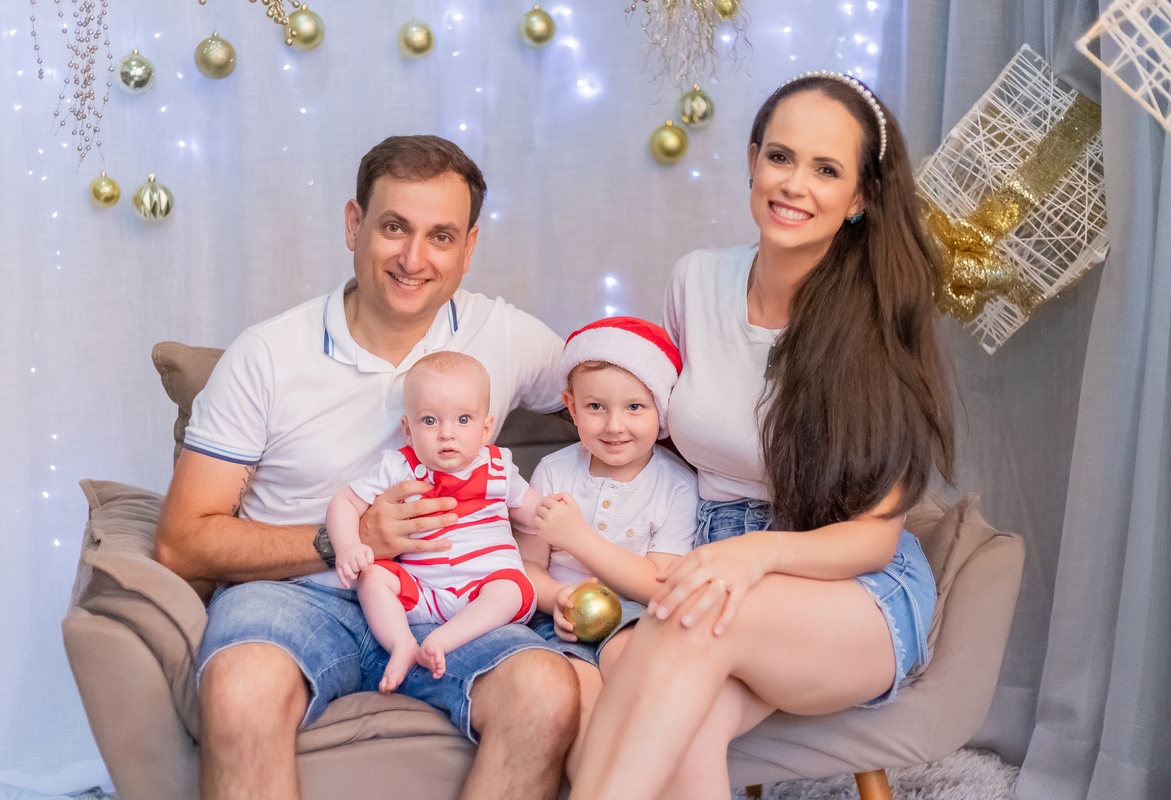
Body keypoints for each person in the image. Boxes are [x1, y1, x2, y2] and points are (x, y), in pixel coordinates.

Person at [155, 135, 580, 800]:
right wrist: (352, 542)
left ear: (469, 248)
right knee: (242, 688)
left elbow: (627, 399)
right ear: (354, 225)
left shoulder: (506, 336)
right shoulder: (267, 354)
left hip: (453, 598)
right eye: (394, 228)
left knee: (545, 692)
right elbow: (182, 542)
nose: (414, 259)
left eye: (441, 236)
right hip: (295, 597)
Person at [569, 72, 956, 799]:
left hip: (849, 585)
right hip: (711, 554)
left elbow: (874, 539)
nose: (794, 184)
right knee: (679, 720)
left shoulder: (880, 317)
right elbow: (658, 433)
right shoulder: (694, 281)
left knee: (691, 620)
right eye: (781, 157)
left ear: (862, 196)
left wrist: (756, 553)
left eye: (827, 169)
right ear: (752, 160)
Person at [516, 317, 699, 779]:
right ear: (572, 407)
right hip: (560, 622)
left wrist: (578, 538)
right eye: (596, 406)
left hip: (636, 617)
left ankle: (646, 776)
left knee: (638, 672)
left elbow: (658, 585)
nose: (615, 425)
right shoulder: (554, 472)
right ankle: (593, 784)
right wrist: (556, 597)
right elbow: (528, 565)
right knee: (577, 698)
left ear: (662, 410)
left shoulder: (677, 486)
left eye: (635, 407)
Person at [327, 351, 541, 687]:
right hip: (422, 592)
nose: (446, 434)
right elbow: (344, 501)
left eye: (463, 419)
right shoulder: (398, 467)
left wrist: (554, 514)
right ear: (407, 430)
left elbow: (533, 510)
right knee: (373, 577)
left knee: (510, 590)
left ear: (486, 428)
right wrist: (347, 546)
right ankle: (401, 643)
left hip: (485, 588)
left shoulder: (498, 466)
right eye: (430, 421)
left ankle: (442, 641)